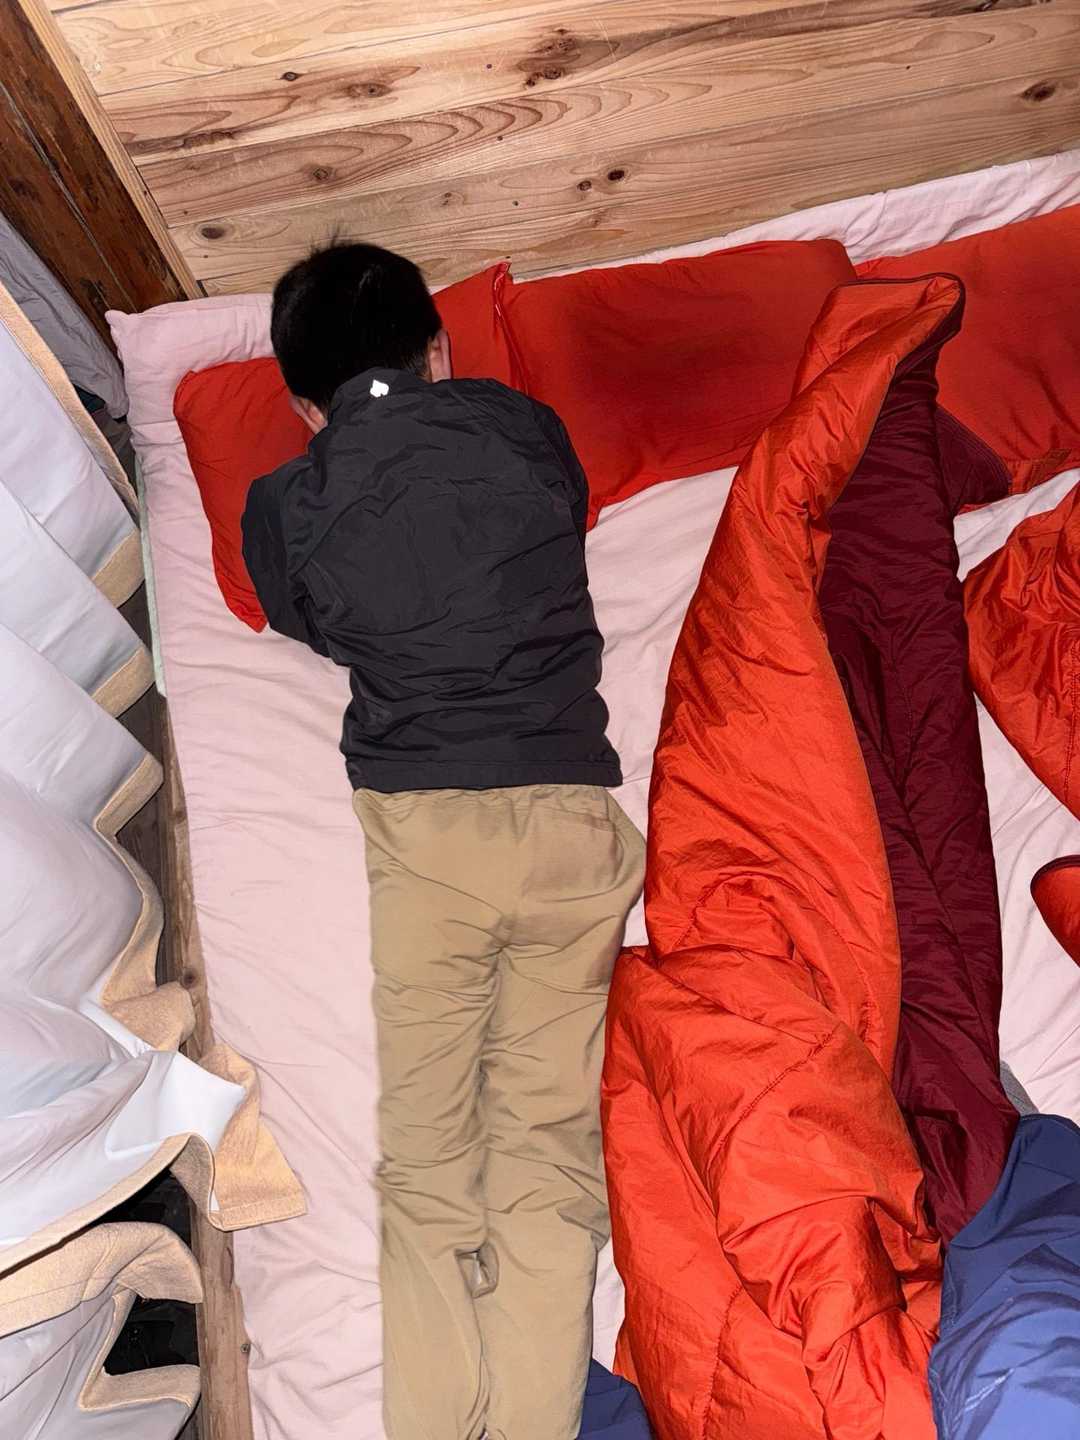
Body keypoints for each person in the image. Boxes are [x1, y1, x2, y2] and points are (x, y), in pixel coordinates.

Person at [241, 243, 644, 1440]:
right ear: (440, 349)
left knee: (429, 1166)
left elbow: (306, 622)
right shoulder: (525, 430)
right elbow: (560, 515)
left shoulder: (288, 503)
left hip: (432, 842)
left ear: (303, 406)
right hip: (572, 821)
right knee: (546, 1153)